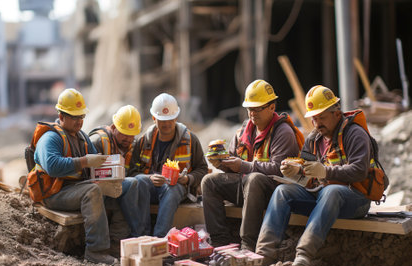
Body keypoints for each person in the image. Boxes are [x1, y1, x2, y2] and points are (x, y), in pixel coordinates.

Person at [255, 85, 388, 266]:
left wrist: (325, 171)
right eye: (314, 119)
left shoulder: (355, 134)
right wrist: (296, 174)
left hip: (356, 199)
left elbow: (359, 171)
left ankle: (303, 254)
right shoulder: (313, 139)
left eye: (321, 118)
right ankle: (264, 254)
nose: (317, 124)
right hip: (324, 198)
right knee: (282, 192)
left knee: (332, 191)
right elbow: (309, 177)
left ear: (336, 112)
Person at [202, 79, 304, 249]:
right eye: (250, 109)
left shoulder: (283, 132)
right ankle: (219, 240)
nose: (252, 114)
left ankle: (248, 243)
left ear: (272, 107)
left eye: (258, 109)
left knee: (254, 178)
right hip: (245, 188)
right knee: (209, 181)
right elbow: (234, 162)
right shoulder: (243, 131)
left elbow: (279, 169)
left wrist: (244, 166)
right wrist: (220, 164)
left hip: (273, 193)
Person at [27, 88, 115, 264]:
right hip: (53, 193)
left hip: (72, 189)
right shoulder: (50, 137)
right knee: (92, 192)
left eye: (81, 117)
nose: (79, 121)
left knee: (118, 190)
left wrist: (111, 178)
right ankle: (95, 252)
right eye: (74, 117)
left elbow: (94, 162)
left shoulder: (81, 137)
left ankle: (117, 242)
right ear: (61, 116)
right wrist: (83, 161)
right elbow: (52, 167)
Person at [128, 93, 208, 237]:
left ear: (176, 118)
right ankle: (141, 236)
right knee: (139, 181)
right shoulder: (143, 141)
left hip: (177, 189)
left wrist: (188, 179)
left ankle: (159, 238)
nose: (166, 124)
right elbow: (132, 172)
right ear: (154, 119)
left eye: (170, 120)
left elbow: (202, 168)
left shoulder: (190, 139)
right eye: (162, 120)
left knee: (172, 189)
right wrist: (149, 178)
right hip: (151, 189)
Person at [89, 105, 146, 238]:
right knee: (132, 184)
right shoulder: (98, 141)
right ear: (113, 127)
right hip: (97, 189)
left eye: (131, 136)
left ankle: (135, 234)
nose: (128, 139)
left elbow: (133, 170)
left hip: (117, 189)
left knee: (141, 182)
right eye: (124, 134)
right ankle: (139, 235)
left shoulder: (132, 146)